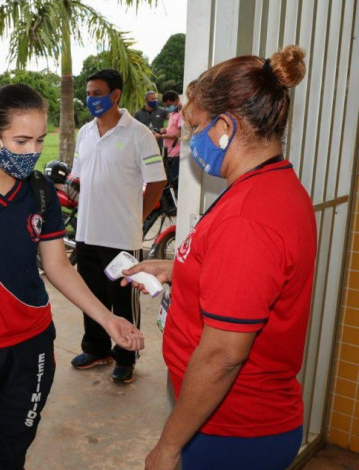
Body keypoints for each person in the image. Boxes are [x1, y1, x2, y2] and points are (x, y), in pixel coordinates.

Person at [0, 83, 144, 470]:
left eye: (39, 140)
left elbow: (58, 266)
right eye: (20, 141)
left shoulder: (39, 191)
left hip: (31, 347)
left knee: (14, 448)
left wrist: (108, 319)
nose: (32, 152)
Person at [123, 46, 315, 470]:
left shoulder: (249, 218)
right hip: (236, 421)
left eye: (194, 127)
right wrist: (178, 270)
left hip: (232, 432)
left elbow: (223, 354)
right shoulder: (273, 187)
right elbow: (248, 281)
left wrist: (168, 446)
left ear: (225, 126)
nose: (190, 140)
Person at [69, 69, 166, 384]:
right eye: (89, 93)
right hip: (86, 232)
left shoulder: (138, 133)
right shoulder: (85, 132)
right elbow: (77, 176)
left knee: (123, 300)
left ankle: (126, 355)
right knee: (92, 296)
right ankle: (97, 349)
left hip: (121, 235)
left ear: (115, 95)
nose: (91, 99)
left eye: (97, 93)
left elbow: (157, 181)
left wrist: (137, 216)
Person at [159, 90, 182, 192]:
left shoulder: (182, 113)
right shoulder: (172, 113)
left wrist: (162, 136)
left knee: (174, 180)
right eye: (166, 105)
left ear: (177, 100)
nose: (168, 107)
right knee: (168, 180)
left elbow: (179, 134)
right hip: (168, 152)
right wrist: (165, 130)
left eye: (170, 104)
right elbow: (173, 129)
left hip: (176, 153)